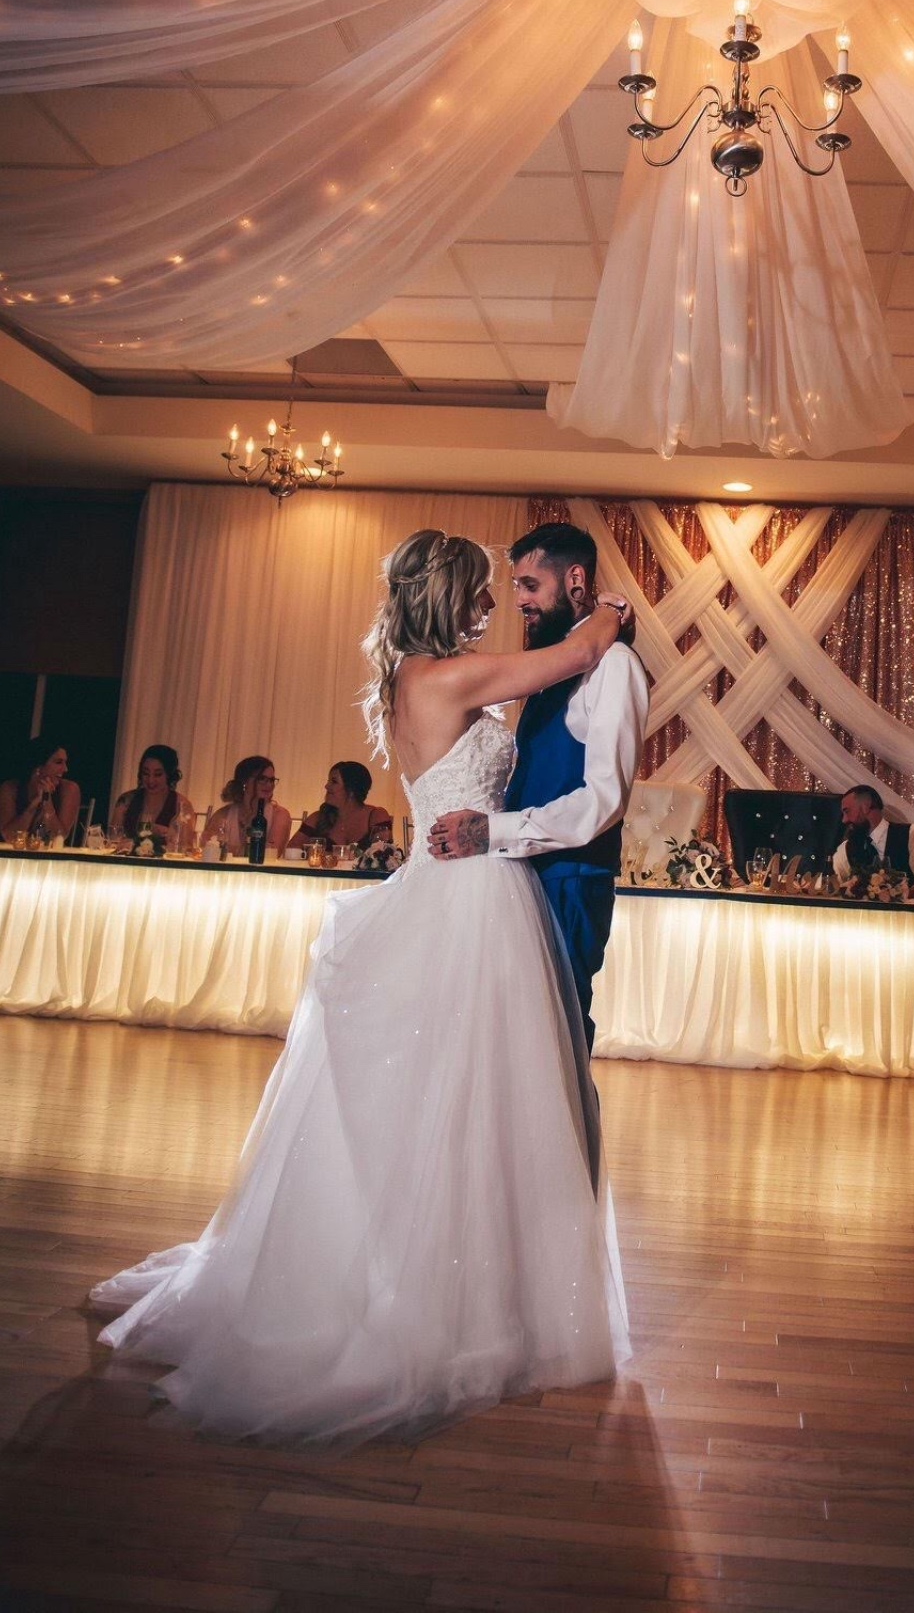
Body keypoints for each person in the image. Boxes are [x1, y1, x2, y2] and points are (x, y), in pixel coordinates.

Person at [90, 528, 631, 1446]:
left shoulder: (413, 678)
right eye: (480, 590)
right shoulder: (447, 677)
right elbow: (576, 656)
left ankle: (450, 1277)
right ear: (447, 596)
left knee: (451, 1100)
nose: (491, 604)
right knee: (463, 1099)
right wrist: (611, 609)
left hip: (455, 890)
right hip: (469, 900)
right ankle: (445, 1299)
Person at [429, 522, 650, 1054]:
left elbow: (604, 800)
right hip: (520, 876)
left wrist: (494, 831)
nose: (520, 602)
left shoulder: (615, 666)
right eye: (516, 588)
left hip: (571, 881)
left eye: (530, 586)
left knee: (557, 1038)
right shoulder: (553, 666)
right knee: (514, 1044)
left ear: (575, 581)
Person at [833, 783, 914, 891]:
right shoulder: (845, 849)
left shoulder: (912, 834)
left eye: (847, 811)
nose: (844, 820)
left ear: (866, 806)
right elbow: (833, 887)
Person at [288, 761, 392, 855]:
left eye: (334, 782)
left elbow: (385, 855)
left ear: (351, 790)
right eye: (328, 781)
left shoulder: (376, 815)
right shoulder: (317, 818)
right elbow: (290, 851)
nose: (326, 786)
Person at [201, 756, 291, 859]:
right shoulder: (223, 814)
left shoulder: (279, 815)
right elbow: (208, 847)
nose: (269, 784)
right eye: (262, 779)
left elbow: (271, 853)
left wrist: (229, 849)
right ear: (245, 782)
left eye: (271, 780)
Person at [110, 744, 196, 849]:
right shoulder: (126, 800)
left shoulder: (182, 805)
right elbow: (112, 839)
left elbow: (186, 848)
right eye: (146, 773)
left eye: (158, 774)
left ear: (169, 775)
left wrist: (169, 836)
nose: (151, 780)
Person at [0, 736, 81, 844]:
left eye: (65, 762)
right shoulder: (10, 788)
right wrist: (33, 805)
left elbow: (58, 837)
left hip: (52, 854)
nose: (65, 769)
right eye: (58, 762)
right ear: (38, 767)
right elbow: (10, 837)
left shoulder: (69, 789)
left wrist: (47, 802)